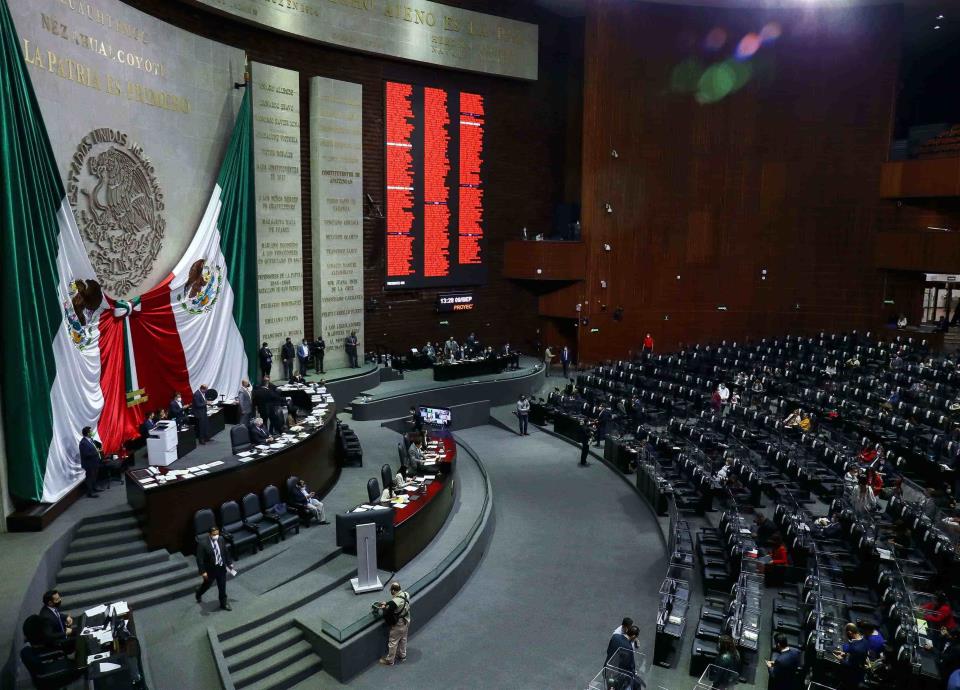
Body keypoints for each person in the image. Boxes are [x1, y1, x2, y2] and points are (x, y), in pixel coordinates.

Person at [195, 525, 235, 611]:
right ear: (209, 534)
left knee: (222, 586)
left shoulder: (221, 539)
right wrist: (203, 571)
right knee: (206, 585)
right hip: (210, 570)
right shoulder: (202, 544)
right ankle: (199, 592)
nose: (216, 536)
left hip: (221, 567)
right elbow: (199, 559)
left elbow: (225, 551)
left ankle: (223, 603)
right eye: (214, 534)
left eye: (217, 534)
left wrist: (229, 563)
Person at [376, 582, 411, 665]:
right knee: (403, 639)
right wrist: (387, 603)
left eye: (391, 590)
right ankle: (402, 655)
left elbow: (389, 610)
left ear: (393, 590)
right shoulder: (406, 594)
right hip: (406, 620)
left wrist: (384, 608)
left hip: (399, 624)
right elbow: (397, 601)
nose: (391, 592)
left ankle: (390, 660)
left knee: (393, 642)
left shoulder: (394, 602)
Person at [834, 622, 870, 687]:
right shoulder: (865, 641)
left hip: (851, 678)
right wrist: (845, 654)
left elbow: (851, 666)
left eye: (846, 634)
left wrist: (841, 659)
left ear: (850, 633)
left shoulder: (854, 647)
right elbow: (858, 656)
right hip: (860, 672)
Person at [78, 427, 101, 498]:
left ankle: (94, 488)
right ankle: (90, 493)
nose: (92, 432)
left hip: (95, 462)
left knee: (94, 476)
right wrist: (96, 452)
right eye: (91, 431)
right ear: (88, 433)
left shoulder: (91, 440)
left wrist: (96, 451)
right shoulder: (83, 443)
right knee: (90, 478)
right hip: (89, 464)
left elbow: (93, 449)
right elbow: (86, 454)